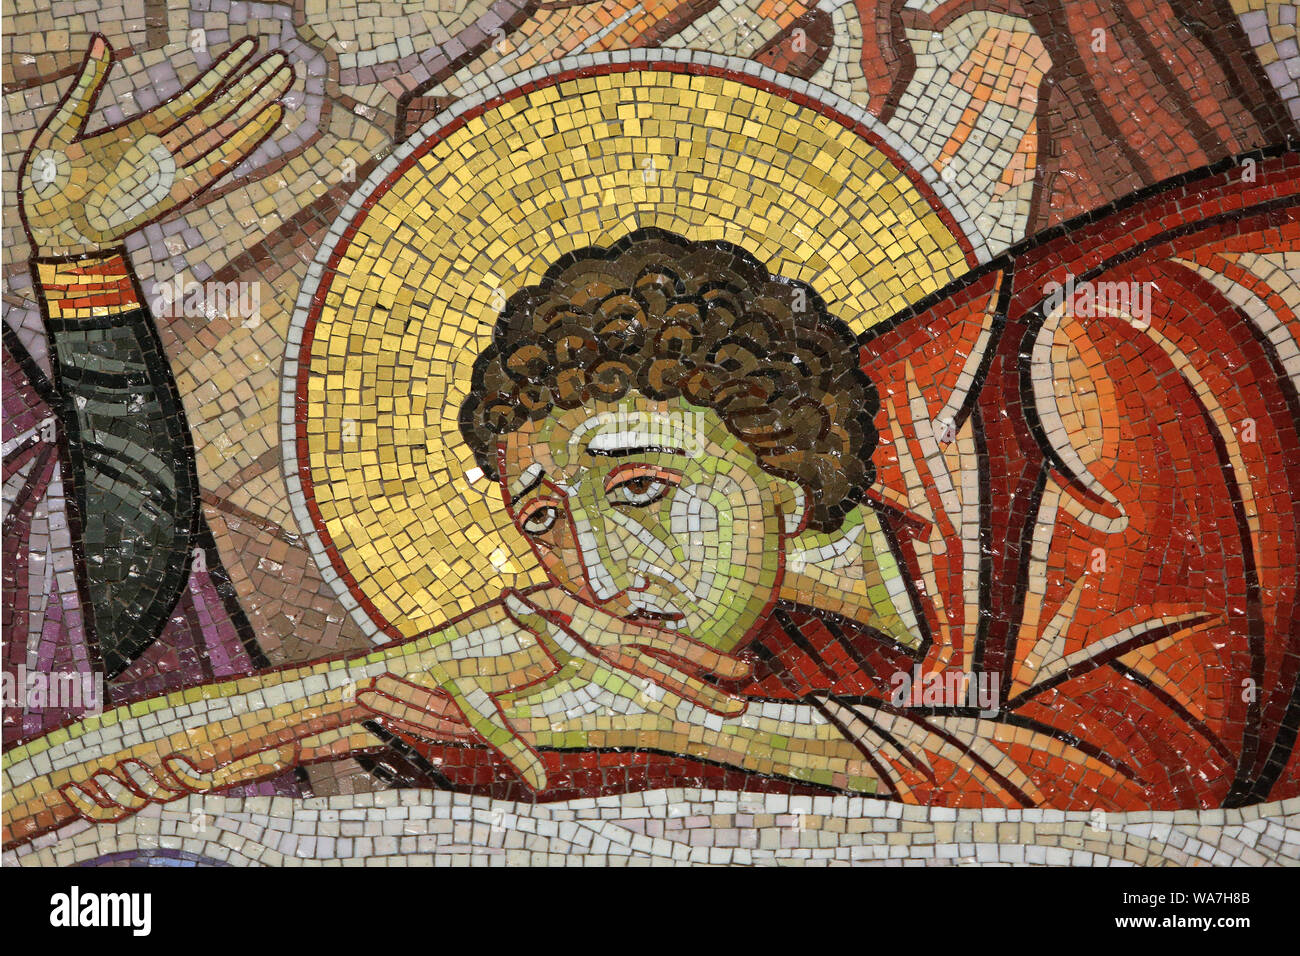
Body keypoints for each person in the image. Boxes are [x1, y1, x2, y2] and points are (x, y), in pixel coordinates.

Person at [6, 37, 1299, 851]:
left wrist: (713, 733)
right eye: (543, 521)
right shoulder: (759, 641)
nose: (599, 561)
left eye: (640, 486)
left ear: (782, 471)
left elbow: (1156, 784)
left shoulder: (1092, 356)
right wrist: (353, 694)